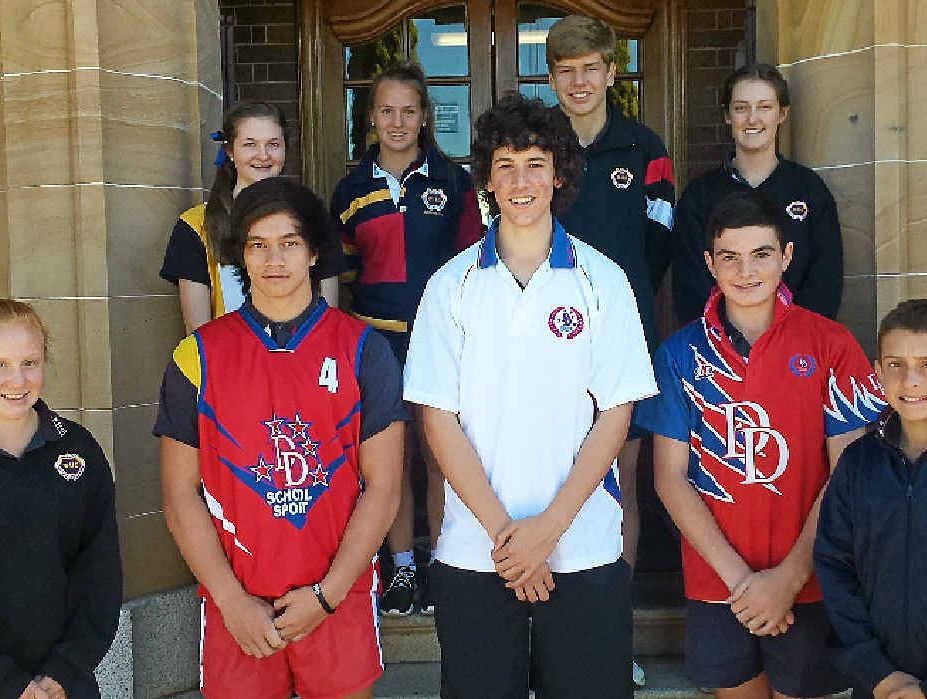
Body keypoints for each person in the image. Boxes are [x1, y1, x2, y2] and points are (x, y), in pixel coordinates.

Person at [403, 93, 656, 698]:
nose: (521, 182)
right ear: (487, 179)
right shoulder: (450, 286)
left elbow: (616, 414)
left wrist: (547, 532)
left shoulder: (604, 279)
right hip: (476, 551)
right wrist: (509, 538)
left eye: (536, 164)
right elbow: (438, 419)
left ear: (560, 174)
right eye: (506, 166)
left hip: (584, 548)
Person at [154, 177, 405, 699]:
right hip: (238, 603)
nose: (274, 259)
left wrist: (327, 595)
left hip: (337, 596)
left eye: (289, 243)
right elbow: (179, 494)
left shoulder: (364, 350)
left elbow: (383, 487)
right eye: (258, 245)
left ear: (313, 252)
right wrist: (231, 600)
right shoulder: (197, 356)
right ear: (239, 255)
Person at [635, 189, 886, 699]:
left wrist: (788, 579)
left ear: (786, 256)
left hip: (814, 579)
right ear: (709, 263)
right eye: (730, 257)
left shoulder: (831, 344)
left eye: (761, 254)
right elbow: (669, 478)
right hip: (718, 583)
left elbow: (847, 476)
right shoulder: (680, 355)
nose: (746, 271)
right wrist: (742, 583)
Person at [545, 16, 675, 685]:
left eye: (589, 68)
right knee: (547, 480)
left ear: (611, 71)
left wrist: (618, 300)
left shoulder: (644, 148)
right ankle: (545, 640)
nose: (579, 82)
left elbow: (660, 240)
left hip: (622, 341)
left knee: (617, 484)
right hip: (546, 343)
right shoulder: (538, 144)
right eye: (565, 71)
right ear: (551, 78)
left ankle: (610, 639)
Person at [331, 62, 484, 616]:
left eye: (408, 111)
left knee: (442, 457)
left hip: (441, 344)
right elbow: (342, 273)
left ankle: (443, 565)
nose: (397, 122)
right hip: (379, 346)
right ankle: (400, 568)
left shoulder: (453, 181)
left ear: (424, 117)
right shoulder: (351, 190)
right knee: (389, 463)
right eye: (386, 111)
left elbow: (473, 263)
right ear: (371, 118)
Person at [0, 299, 122, 699]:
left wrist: (64, 672)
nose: (16, 380)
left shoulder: (78, 450)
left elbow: (99, 573)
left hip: (63, 685)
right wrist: (11, 683)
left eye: (29, 363)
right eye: (0, 364)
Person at [815, 299, 927, 699]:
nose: (911, 381)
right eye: (896, 364)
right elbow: (835, 568)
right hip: (879, 685)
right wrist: (878, 672)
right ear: (877, 372)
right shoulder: (858, 463)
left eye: (926, 364)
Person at [673, 63, 843, 325]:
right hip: (720, 343)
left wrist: (795, 336)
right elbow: (690, 285)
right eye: (741, 108)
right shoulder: (699, 196)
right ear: (728, 115)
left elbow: (825, 279)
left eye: (764, 107)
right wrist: (729, 338)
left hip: (798, 342)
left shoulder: (809, 190)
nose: (752, 119)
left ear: (782, 113)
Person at [161, 101, 311, 333]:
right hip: (227, 354)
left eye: (273, 144)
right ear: (230, 151)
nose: (263, 155)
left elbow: (326, 320)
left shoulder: (311, 219)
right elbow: (198, 333)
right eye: (250, 144)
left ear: (285, 148)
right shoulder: (195, 225)